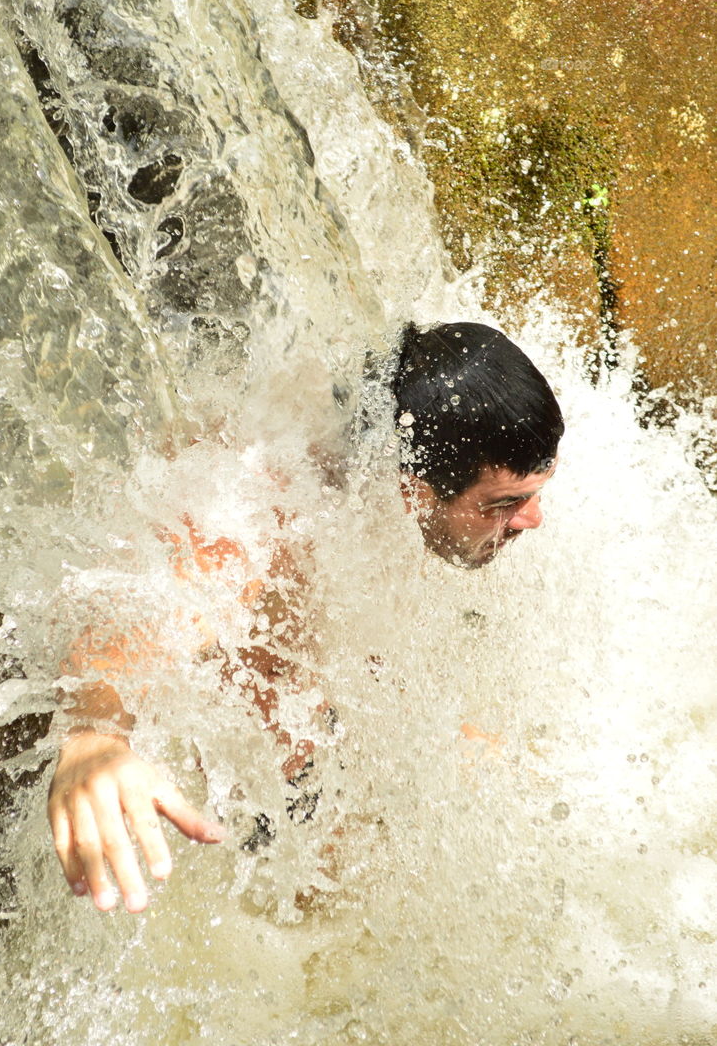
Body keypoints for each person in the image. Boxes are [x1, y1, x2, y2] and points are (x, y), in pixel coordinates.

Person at [47, 321, 565, 913]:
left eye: (534, 494)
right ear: (414, 491)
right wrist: (93, 739)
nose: (532, 521)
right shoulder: (257, 519)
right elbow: (128, 629)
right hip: (256, 825)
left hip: (331, 746)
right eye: (504, 504)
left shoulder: (381, 453)